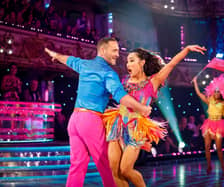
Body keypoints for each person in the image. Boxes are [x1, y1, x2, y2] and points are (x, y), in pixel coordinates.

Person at [44, 37, 151, 187]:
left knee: (77, 166)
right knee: (107, 165)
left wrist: (56, 55)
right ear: (102, 50)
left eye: (118, 51)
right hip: (90, 121)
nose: (117, 54)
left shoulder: (85, 64)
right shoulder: (108, 72)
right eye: (114, 50)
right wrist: (142, 108)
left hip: (74, 120)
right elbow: (121, 96)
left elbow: (69, 60)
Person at [103, 45, 206, 187]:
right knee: (113, 170)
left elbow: (172, 64)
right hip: (117, 124)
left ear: (142, 62)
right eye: (127, 61)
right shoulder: (125, 80)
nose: (128, 64)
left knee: (125, 170)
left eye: (132, 60)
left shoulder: (153, 81)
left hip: (136, 127)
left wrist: (187, 50)